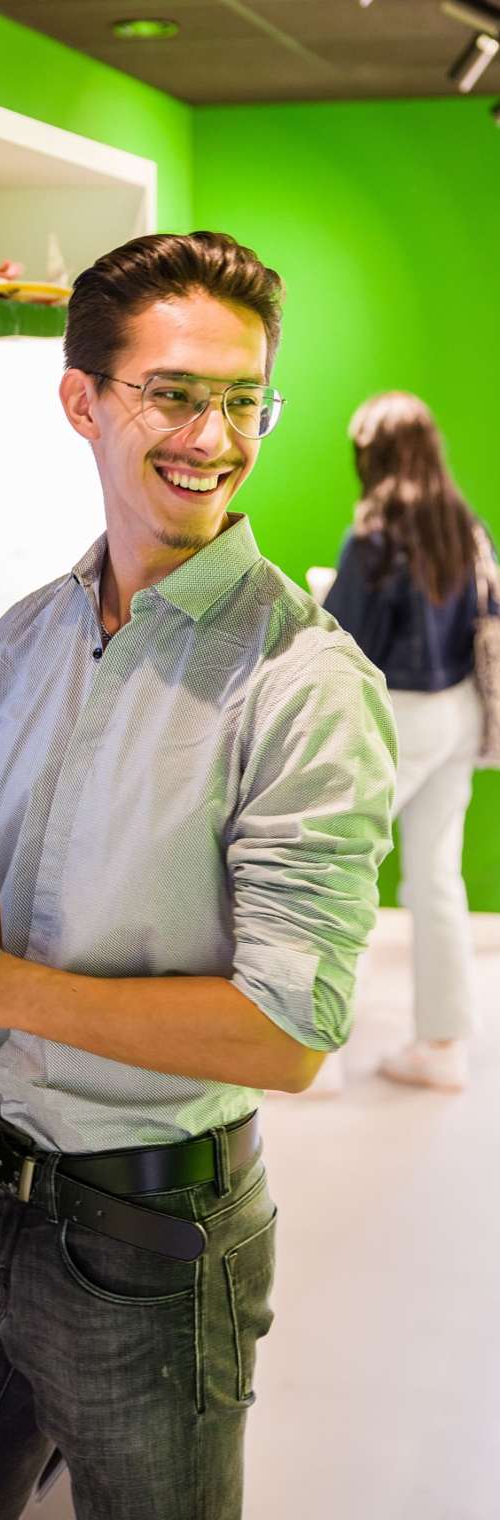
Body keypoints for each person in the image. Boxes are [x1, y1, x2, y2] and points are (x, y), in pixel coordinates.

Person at [0, 232, 397, 1520]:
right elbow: (7, 869)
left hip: (157, 1247)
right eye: (175, 393)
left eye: (241, 400)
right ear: (83, 400)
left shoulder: (303, 684)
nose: (214, 437)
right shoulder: (32, 636)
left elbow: (287, 1034)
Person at [324, 391, 490, 1093]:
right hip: (463, 712)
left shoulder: (374, 533)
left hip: (401, 716)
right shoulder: (464, 524)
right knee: (435, 877)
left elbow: (345, 638)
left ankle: (317, 1055)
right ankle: (442, 1045)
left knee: (332, 874)